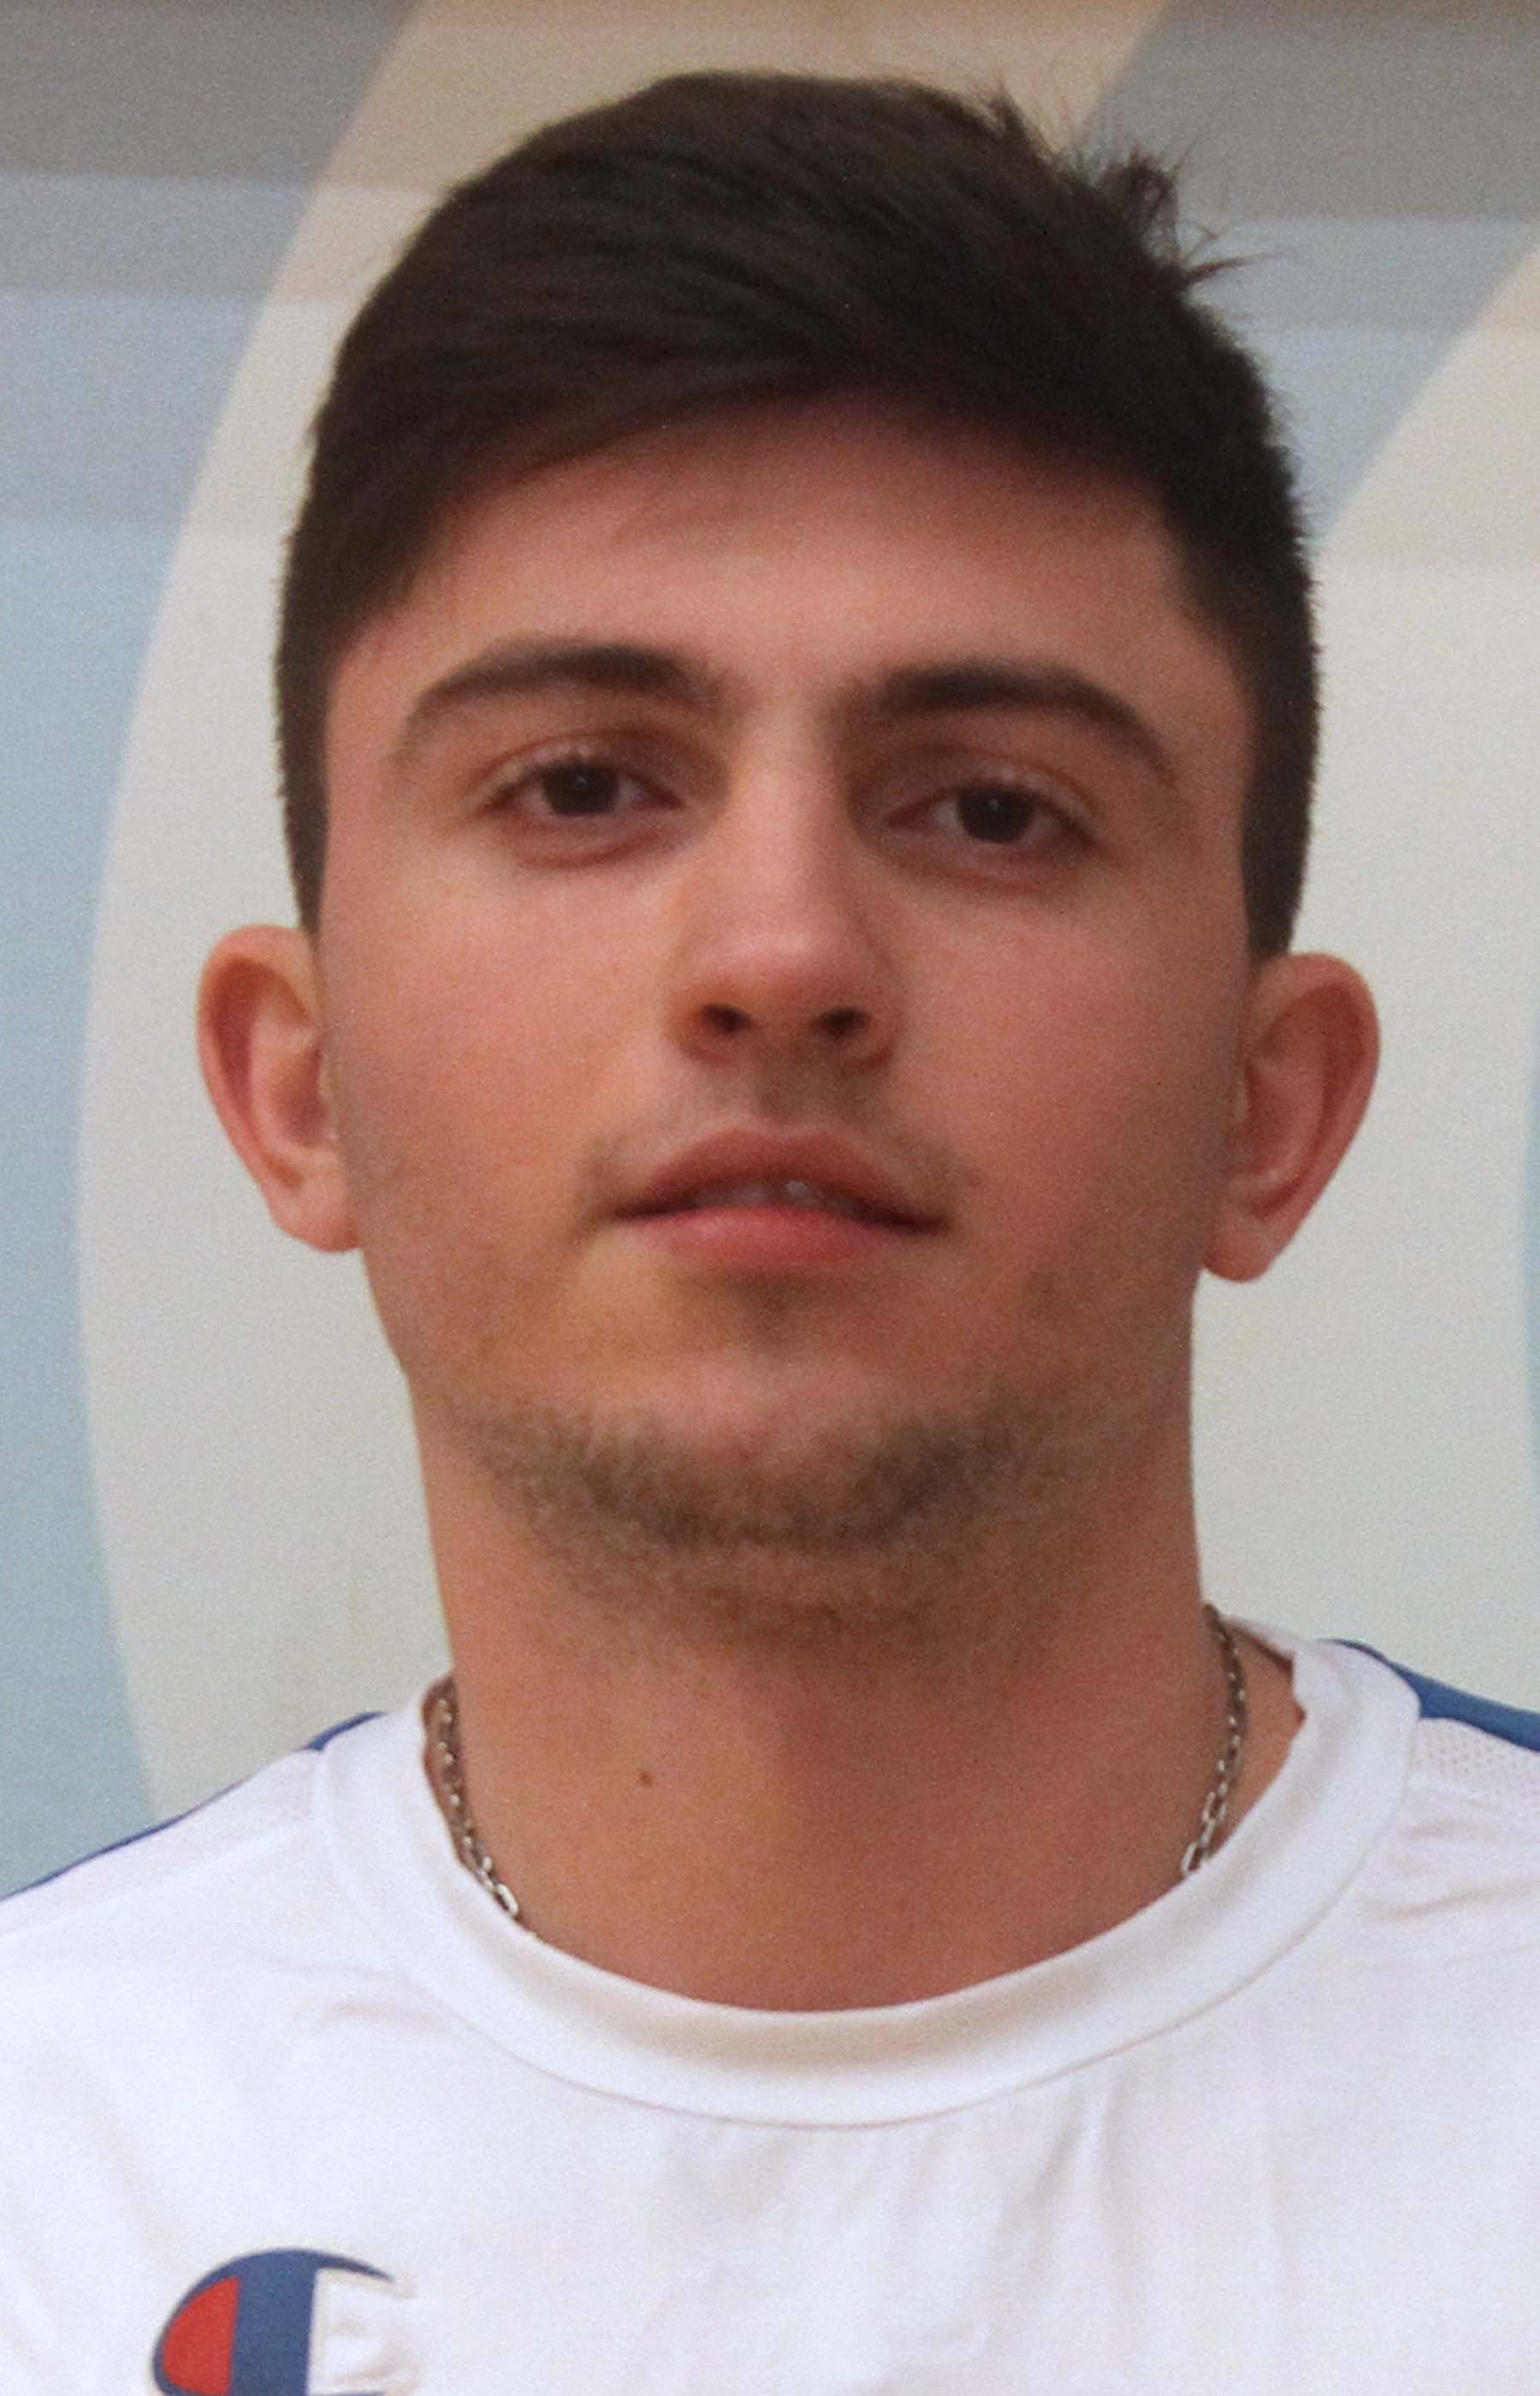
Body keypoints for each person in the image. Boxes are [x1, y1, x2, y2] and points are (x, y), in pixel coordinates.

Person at [3, 68, 1537, 2394]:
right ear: (296, 1084)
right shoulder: (53, 2172)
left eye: (994, 810)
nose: (784, 952)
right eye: (583, 785)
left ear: (1270, 1108)